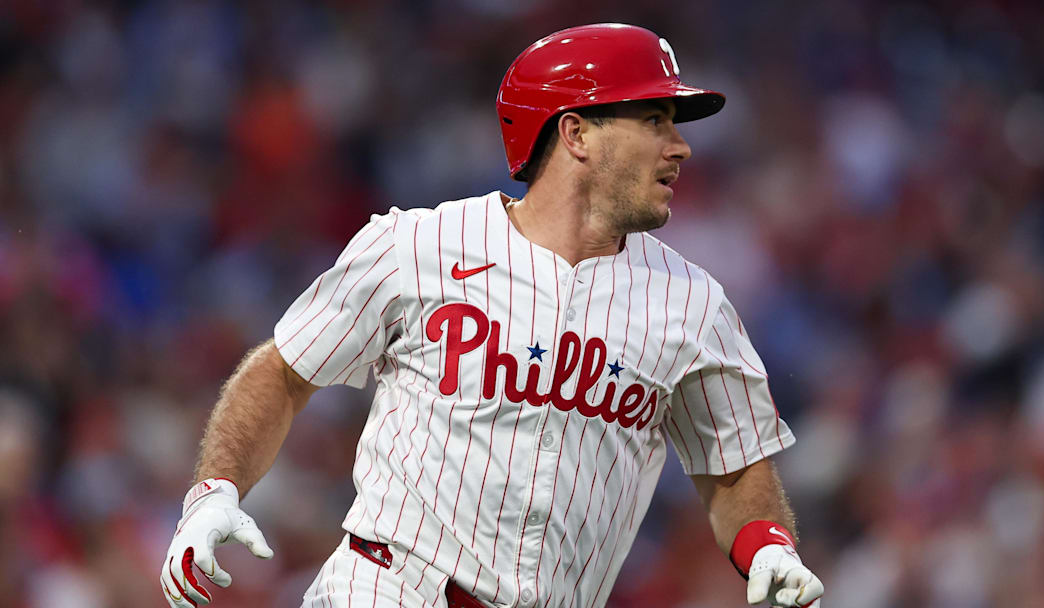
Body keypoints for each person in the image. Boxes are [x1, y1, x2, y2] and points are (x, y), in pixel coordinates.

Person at [160, 23, 824, 608]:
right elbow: (284, 371)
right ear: (576, 132)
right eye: (654, 120)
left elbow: (734, 468)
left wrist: (768, 544)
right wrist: (215, 489)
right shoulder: (418, 246)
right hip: (389, 588)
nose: (679, 146)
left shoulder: (694, 305)